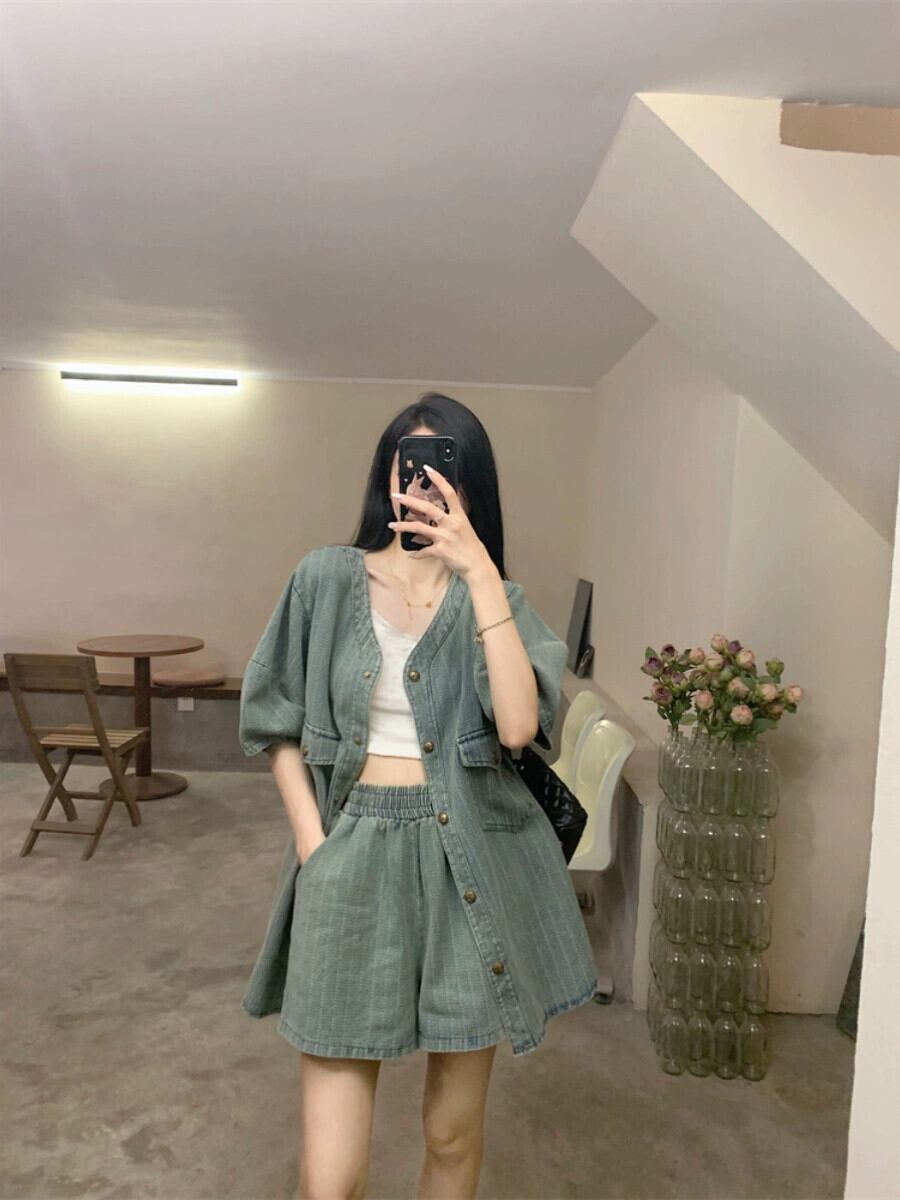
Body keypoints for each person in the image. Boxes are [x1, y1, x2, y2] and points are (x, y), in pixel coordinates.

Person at [239, 392, 597, 1200]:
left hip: (470, 859)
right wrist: (314, 846)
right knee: (331, 1177)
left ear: (472, 485)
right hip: (351, 854)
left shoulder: (497, 599)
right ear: (388, 475)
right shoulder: (325, 579)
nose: (423, 482)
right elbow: (274, 722)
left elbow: (518, 728)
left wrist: (481, 574)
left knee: (451, 1134)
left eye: (443, 466)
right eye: (410, 464)